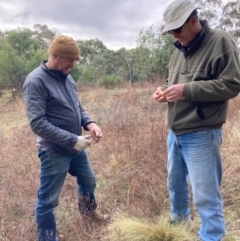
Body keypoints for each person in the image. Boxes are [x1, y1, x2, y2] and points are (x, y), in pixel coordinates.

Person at [153, 0, 240, 240]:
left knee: (205, 195)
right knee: (175, 186)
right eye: (171, 31)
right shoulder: (177, 52)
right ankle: (179, 227)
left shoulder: (220, 41)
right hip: (175, 133)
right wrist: (164, 90)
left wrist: (186, 90)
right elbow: (176, 86)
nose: (175, 35)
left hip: (202, 133)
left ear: (193, 20)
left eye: (177, 29)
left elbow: (232, 85)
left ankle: (211, 236)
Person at [23, 35, 107, 241]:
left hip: (75, 147)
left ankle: (88, 216)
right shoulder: (35, 81)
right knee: (48, 200)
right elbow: (37, 123)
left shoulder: (67, 77)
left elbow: (77, 106)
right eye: (70, 59)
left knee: (89, 180)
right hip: (54, 151)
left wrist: (91, 124)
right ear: (56, 56)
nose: (73, 64)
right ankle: (48, 237)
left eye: (75, 60)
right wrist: (72, 139)